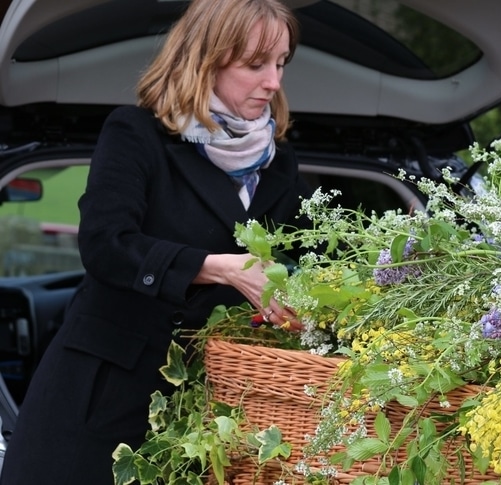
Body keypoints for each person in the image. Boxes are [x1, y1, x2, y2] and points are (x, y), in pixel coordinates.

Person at [0, 0, 310, 483]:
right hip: (100, 400)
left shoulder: (280, 164)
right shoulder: (135, 134)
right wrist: (219, 268)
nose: (273, 82)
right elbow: (106, 245)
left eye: (281, 63)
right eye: (255, 64)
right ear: (205, 58)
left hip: (206, 412)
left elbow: (305, 261)